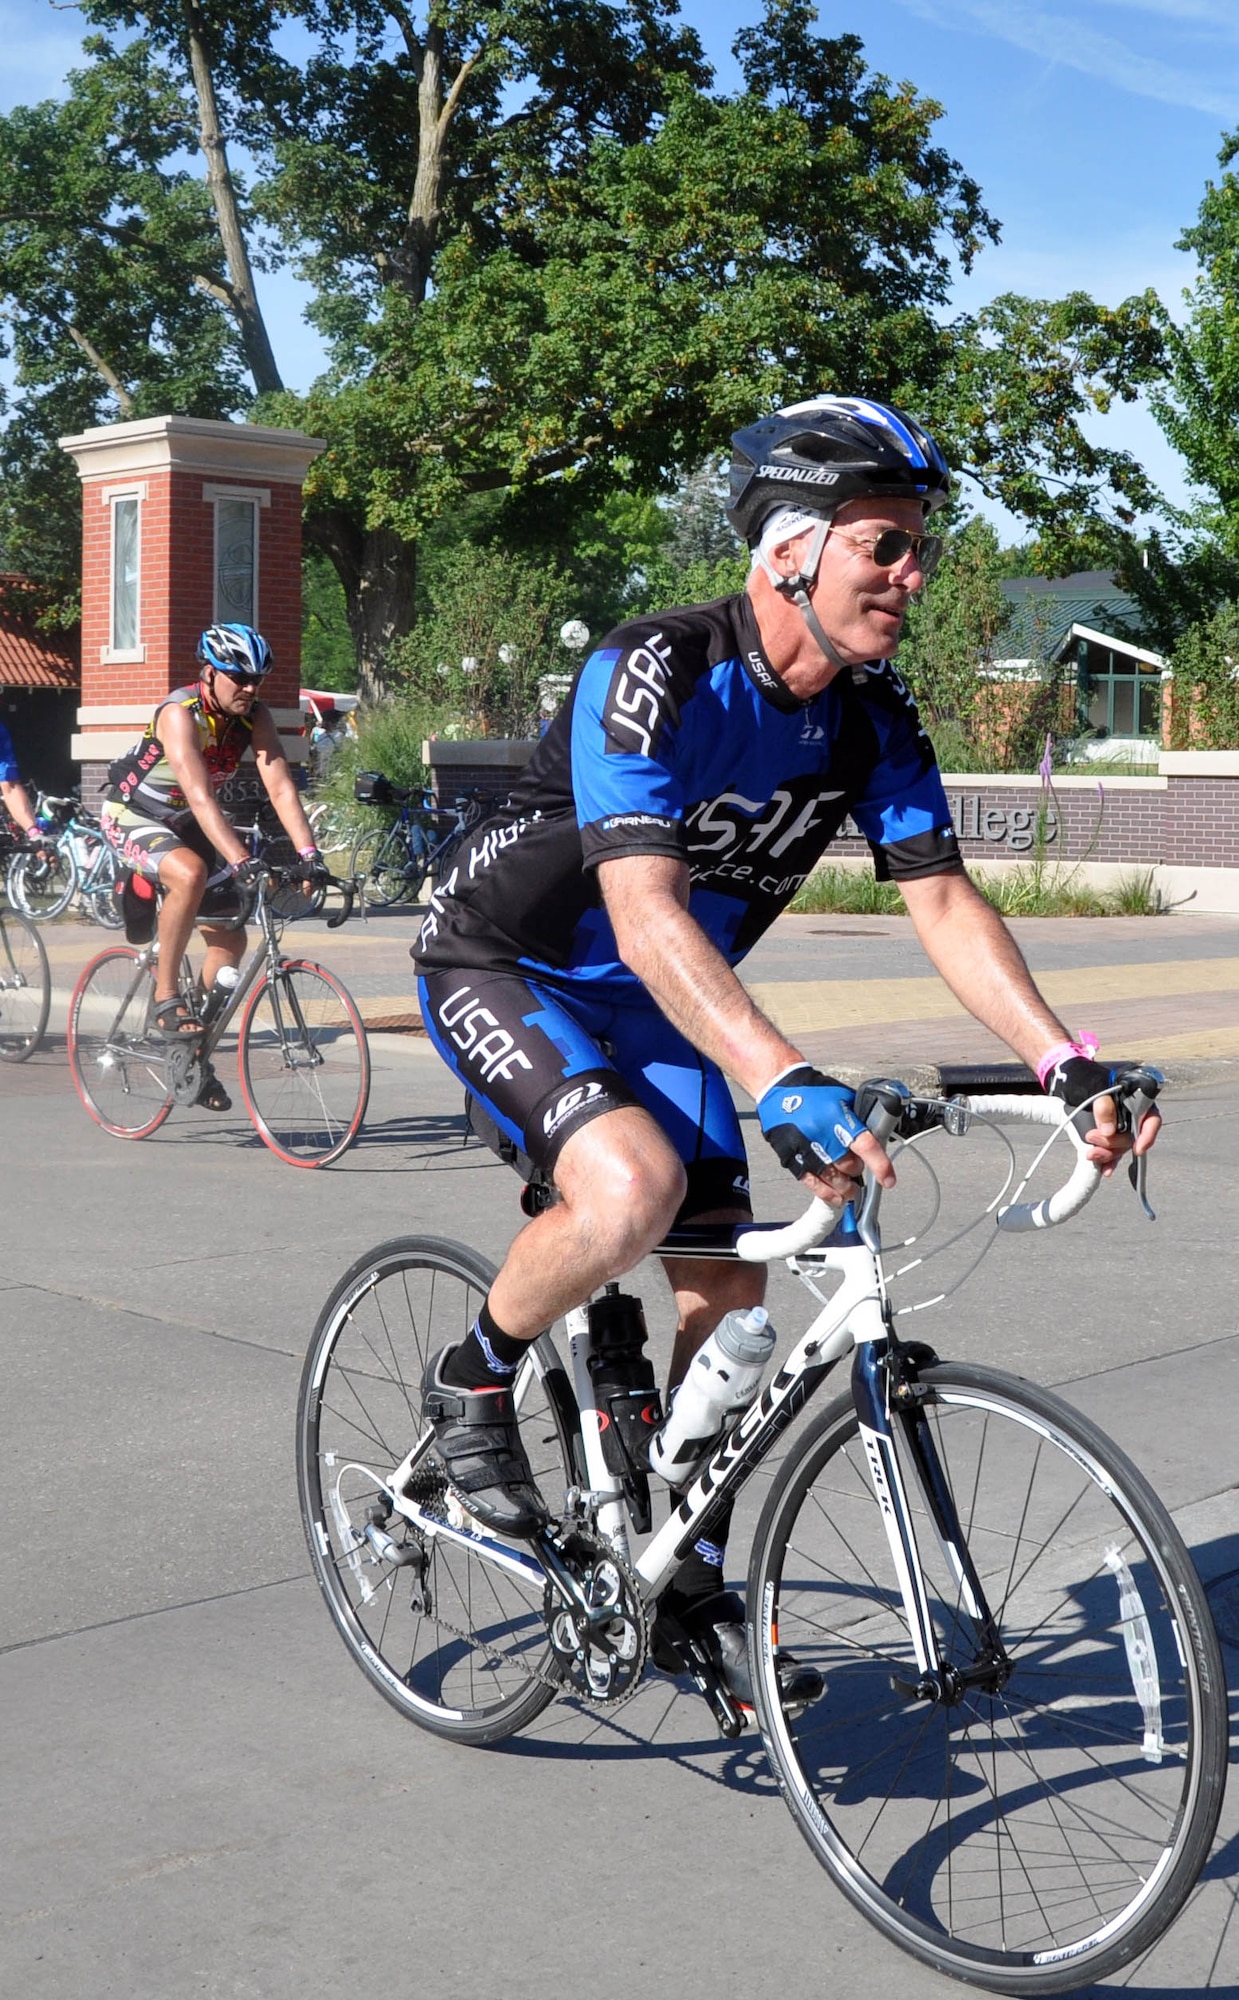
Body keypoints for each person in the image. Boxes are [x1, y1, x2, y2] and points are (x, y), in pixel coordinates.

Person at [412, 395, 1160, 1714]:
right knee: (628, 1190)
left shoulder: (868, 714)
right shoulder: (653, 670)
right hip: (508, 967)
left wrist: (1065, 1062)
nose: (909, 573)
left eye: (915, 545)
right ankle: (472, 1377)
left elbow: (938, 897)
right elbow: (642, 913)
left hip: (660, 1007)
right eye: (882, 544)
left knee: (732, 1328)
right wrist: (781, 1080)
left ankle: (679, 1582)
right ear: (784, 554)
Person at [100, 623, 328, 1110]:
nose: (249, 688)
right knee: (188, 872)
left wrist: (311, 855)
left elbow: (281, 787)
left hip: (187, 824)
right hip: (133, 814)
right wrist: (242, 860)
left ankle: (192, 1055)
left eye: (257, 680)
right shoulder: (179, 713)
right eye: (238, 677)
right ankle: (165, 998)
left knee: (231, 936)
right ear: (210, 672)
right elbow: (201, 796)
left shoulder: (254, 717)